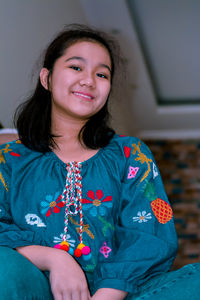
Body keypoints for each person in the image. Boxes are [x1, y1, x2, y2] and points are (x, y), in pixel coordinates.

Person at [0, 24, 200, 300]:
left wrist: (106, 295)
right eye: (76, 67)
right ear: (46, 78)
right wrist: (54, 259)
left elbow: (149, 236)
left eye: (102, 74)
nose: (89, 80)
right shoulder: (10, 158)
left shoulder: (131, 154)